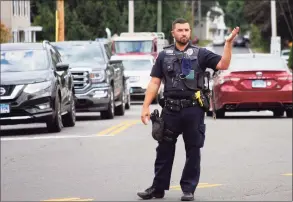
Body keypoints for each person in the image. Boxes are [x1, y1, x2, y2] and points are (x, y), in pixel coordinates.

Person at [137, 18, 239, 201]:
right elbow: (154, 82)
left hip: (193, 110)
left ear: (190, 32)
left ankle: (188, 189)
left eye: (186, 30)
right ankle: (157, 188)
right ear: (173, 33)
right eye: (180, 30)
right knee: (164, 150)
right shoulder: (164, 55)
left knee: (193, 150)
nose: (184, 33)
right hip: (170, 110)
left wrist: (228, 44)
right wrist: (145, 106)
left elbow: (223, 64)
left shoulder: (201, 54)